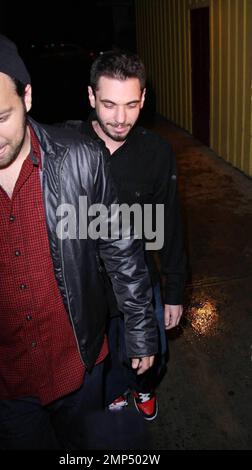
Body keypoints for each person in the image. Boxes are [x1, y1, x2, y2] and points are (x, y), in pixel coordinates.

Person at [0, 35, 159, 450]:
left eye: (1, 117)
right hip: (4, 385)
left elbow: (121, 248)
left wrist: (142, 331)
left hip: (79, 369)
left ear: (28, 97)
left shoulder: (81, 159)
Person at [63, 50, 186, 421]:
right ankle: (115, 391)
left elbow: (170, 223)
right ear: (90, 97)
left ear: (144, 99)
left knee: (151, 352)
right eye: (109, 104)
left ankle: (144, 389)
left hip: (140, 281)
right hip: (87, 285)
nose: (120, 118)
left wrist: (174, 292)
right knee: (101, 356)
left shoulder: (156, 151)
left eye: (131, 105)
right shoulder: (65, 148)